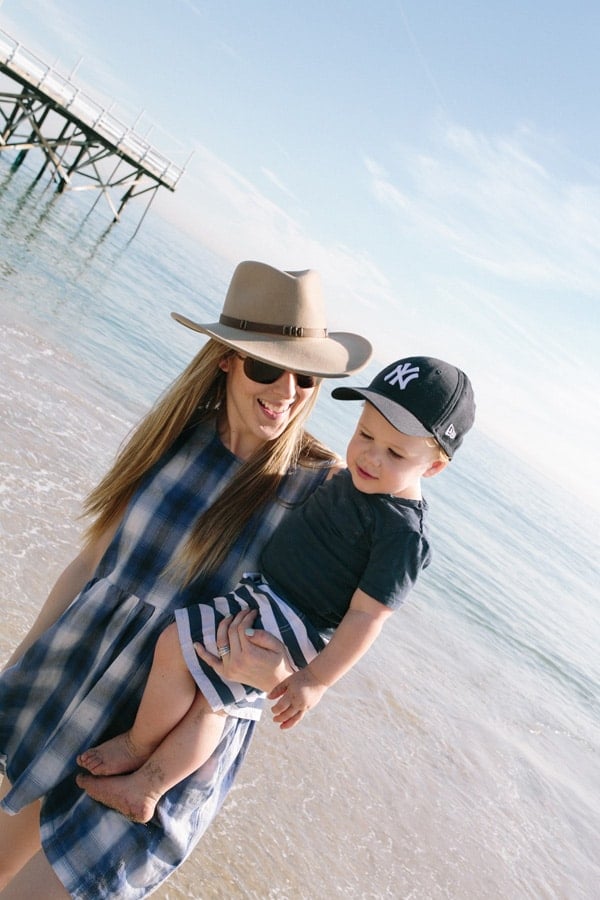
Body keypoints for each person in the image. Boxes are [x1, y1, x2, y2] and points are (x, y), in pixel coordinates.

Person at [0, 260, 372, 899]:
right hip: (76, 677)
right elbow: (93, 565)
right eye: (266, 367)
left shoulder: (322, 493)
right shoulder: (173, 437)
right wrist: (25, 662)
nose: (287, 390)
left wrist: (280, 679)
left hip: (166, 742)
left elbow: (321, 650)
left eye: (305, 375)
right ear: (227, 359)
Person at [74, 355, 476, 825]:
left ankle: (137, 749)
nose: (370, 457)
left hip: (292, 620)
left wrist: (314, 681)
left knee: (176, 645)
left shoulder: (403, 534)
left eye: (395, 453)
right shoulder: (356, 481)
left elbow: (368, 617)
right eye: (365, 435)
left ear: (434, 467)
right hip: (267, 598)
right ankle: (148, 787)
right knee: (212, 701)